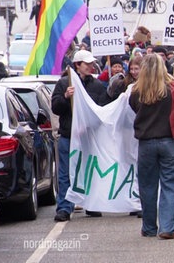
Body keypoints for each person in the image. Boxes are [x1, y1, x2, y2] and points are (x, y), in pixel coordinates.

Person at [129, 54, 174, 239]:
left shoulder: (136, 91)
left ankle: (149, 227)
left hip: (146, 143)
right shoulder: (173, 88)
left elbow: (134, 108)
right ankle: (167, 227)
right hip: (169, 141)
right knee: (170, 184)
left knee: (147, 186)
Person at [52, 50, 109, 222]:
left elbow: (103, 109)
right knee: (66, 173)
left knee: (89, 171)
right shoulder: (64, 83)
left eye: (92, 63)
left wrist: (91, 126)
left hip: (88, 137)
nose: (91, 66)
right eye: (87, 64)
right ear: (78, 65)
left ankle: (91, 204)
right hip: (68, 136)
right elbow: (55, 107)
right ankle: (64, 207)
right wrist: (65, 97)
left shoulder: (97, 86)